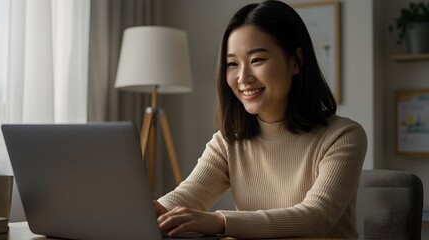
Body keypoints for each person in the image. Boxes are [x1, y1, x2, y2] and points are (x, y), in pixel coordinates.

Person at [155, 0, 367, 239]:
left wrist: (219, 221)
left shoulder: (343, 136)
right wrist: (151, 211)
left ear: (295, 61)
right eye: (232, 64)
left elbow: (316, 217)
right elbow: (186, 198)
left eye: (257, 60)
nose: (243, 77)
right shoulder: (228, 141)